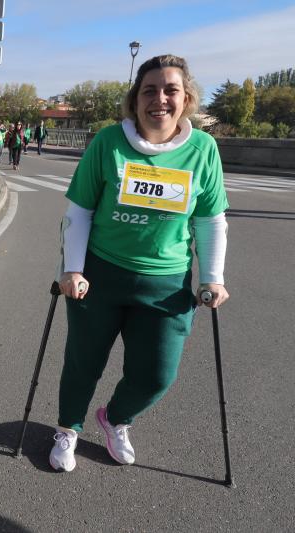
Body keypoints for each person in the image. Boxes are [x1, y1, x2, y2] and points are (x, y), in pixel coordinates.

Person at [48, 54, 230, 473]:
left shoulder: (203, 149)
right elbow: (79, 212)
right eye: (150, 90)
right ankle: (68, 428)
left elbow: (210, 220)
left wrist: (214, 278)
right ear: (136, 98)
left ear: (186, 98)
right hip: (100, 275)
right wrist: (72, 268)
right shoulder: (109, 142)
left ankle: (114, 418)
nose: (160, 99)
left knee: (156, 375)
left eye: (171, 90)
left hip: (165, 284)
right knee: (83, 362)